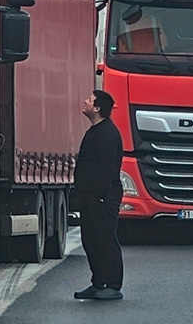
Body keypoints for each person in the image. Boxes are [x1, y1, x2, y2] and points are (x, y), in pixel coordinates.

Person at [73, 90, 125, 300]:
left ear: (97, 109)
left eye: (90, 100)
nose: (85, 101)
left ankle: (113, 285)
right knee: (90, 240)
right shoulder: (95, 130)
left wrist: (101, 195)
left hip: (104, 196)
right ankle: (98, 282)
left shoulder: (108, 133)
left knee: (105, 239)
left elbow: (108, 168)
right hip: (90, 196)